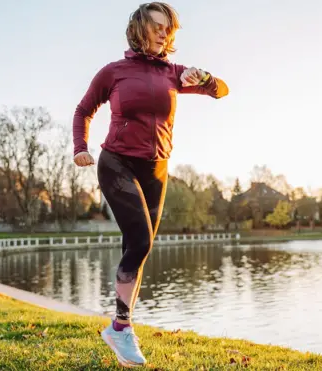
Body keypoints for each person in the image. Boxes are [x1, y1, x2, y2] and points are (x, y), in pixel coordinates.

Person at [72, 2, 228, 367]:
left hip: (156, 169)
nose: (164, 33)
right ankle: (121, 327)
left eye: (168, 29)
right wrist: (80, 148)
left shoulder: (174, 73)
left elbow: (222, 90)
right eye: (157, 26)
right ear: (139, 29)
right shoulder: (114, 72)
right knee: (140, 239)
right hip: (117, 163)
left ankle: (121, 329)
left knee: (138, 248)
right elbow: (84, 110)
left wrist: (203, 78)